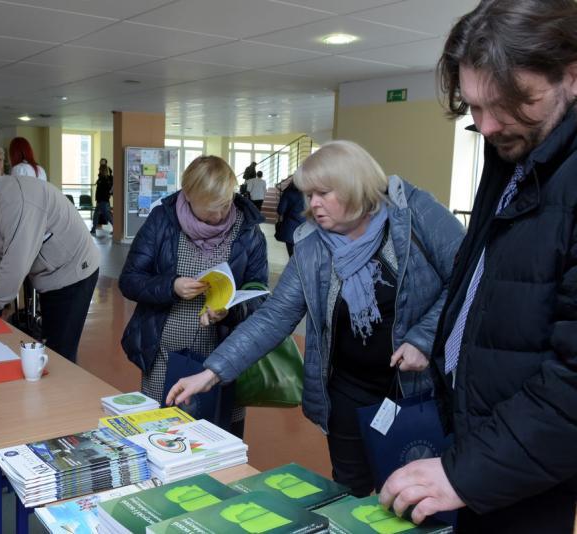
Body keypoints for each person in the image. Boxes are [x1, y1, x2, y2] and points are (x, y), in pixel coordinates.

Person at [167, 141, 464, 495]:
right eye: (309, 195)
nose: (312, 205)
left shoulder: (414, 214)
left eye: (323, 193)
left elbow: (467, 278)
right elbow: (275, 317)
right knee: (349, 494)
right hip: (347, 392)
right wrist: (211, 372)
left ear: (355, 186)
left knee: (415, 496)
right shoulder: (313, 247)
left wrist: (423, 339)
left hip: (418, 391)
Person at [379, 1, 577, 530]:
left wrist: (467, 473)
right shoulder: (514, 148)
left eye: (510, 103)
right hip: (481, 438)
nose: (486, 126)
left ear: (572, 76)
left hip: (525, 459)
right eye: (473, 106)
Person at [119, 155, 268, 438]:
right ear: (187, 196)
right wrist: (171, 286)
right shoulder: (163, 221)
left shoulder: (247, 231)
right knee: (161, 438)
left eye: (225, 204)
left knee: (220, 443)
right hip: (162, 360)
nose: (220, 215)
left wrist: (232, 310)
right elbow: (129, 281)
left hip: (224, 362)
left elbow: (258, 295)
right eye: (211, 209)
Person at [0, 173, 99, 363]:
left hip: (73, 271)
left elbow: (16, 263)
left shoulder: (18, 204)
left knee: (61, 350)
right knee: (50, 345)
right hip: (51, 274)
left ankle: (63, 390)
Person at [274, 177, 305, 256]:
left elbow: (280, 210)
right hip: (308, 229)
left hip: (291, 229)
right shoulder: (312, 193)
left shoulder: (289, 192)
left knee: (292, 256)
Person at [91, 157, 113, 235]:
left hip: (104, 200)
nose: (101, 163)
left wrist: (110, 193)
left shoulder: (106, 179)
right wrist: (97, 199)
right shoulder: (101, 178)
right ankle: (93, 229)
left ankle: (115, 228)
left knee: (107, 215)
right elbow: (99, 190)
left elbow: (109, 188)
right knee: (97, 214)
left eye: (103, 162)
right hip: (100, 200)